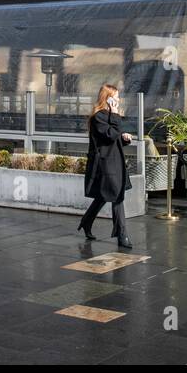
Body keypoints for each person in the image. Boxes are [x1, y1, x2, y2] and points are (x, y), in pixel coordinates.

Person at [79, 83, 133, 250]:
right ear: (107, 98)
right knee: (117, 196)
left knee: (105, 195)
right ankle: (121, 234)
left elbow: (112, 139)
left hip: (114, 161)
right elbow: (109, 135)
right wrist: (116, 115)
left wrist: (123, 139)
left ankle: (87, 221)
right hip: (105, 164)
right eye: (115, 97)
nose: (118, 100)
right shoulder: (99, 117)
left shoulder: (109, 116)